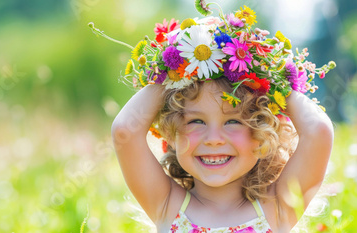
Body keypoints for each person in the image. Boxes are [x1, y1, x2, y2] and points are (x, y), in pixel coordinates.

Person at [93, 3, 336, 233]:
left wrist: (270, 76)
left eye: (233, 121)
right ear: (171, 133)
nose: (214, 139)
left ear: (262, 133)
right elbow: (125, 131)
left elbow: (318, 131)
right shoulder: (167, 204)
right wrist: (178, 65)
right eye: (195, 121)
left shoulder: (278, 207)